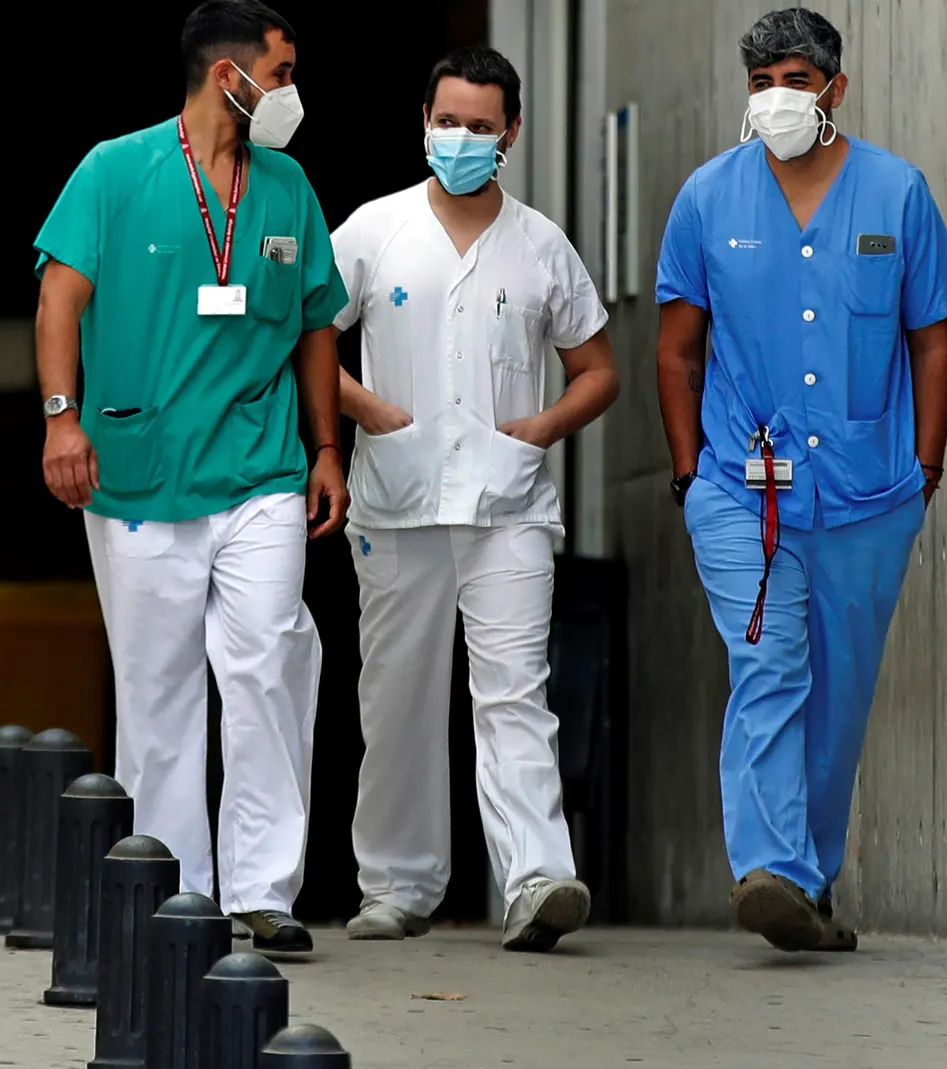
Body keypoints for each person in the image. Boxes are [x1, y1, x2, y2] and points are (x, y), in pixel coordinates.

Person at [31, 0, 348, 955]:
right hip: (138, 474)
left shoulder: (288, 187)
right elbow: (59, 296)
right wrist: (60, 420)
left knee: (267, 666)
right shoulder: (113, 170)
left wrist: (327, 448)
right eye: (283, 72)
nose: (292, 91)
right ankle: (173, 891)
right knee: (159, 686)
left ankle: (261, 890)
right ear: (230, 76)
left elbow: (318, 323)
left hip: (261, 471)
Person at [655, 8, 947, 953]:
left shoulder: (897, 193)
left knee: (839, 694)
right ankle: (771, 871)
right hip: (739, 491)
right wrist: (685, 475)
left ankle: (810, 881)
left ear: (835, 88)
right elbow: (676, 351)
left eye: (793, 79)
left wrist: (924, 469)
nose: (775, 99)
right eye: (760, 82)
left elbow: (933, 340)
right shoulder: (707, 198)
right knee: (768, 666)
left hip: (872, 494)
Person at [328, 45, 619, 953]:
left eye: (481, 127)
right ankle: (397, 884)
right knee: (398, 697)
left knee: (514, 695)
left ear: (512, 136)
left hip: (508, 509)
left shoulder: (540, 245)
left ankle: (536, 878)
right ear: (423, 121)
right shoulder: (372, 232)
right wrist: (365, 408)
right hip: (396, 501)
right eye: (448, 121)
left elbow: (598, 369)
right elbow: (303, 343)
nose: (460, 138)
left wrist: (536, 431)